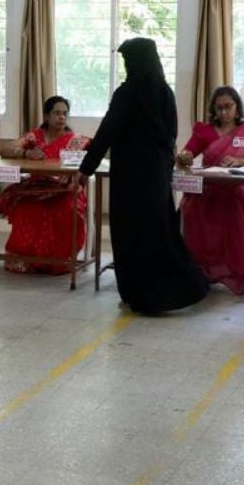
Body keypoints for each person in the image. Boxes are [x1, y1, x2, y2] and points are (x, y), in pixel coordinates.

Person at [76, 38, 208, 314]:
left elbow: (107, 132)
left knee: (129, 233)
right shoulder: (165, 92)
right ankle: (179, 289)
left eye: (127, 61)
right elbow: (171, 134)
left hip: (129, 174)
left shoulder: (127, 93)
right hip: (157, 173)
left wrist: (86, 167)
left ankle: (136, 293)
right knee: (159, 230)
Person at [175, 86, 244, 295]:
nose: (224, 113)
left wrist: (240, 161)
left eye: (228, 107)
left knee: (238, 202)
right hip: (210, 190)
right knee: (196, 206)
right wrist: (184, 157)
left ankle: (237, 269)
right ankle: (205, 270)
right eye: (219, 108)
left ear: (237, 108)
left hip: (241, 189)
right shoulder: (204, 131)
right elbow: (186, 154)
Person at [0, 96, 90, 274]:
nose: (61, 117)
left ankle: (57, 262)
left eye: (64, 114)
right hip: (37, 189)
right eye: (56, 113)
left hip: (66, 190)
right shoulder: (34, 136)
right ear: (47, 116)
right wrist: (25, 152)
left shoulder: (75, 141)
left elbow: (89, 163)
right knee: (26, 207)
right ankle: (28, 261)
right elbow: (5, 149)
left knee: (66, 209)